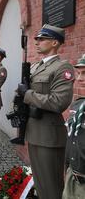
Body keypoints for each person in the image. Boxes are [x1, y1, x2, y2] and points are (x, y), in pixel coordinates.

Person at [16, 24, 74, 199]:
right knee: (41, 184)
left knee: (51, 187)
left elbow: (58, 102)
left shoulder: (62, 68)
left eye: (42, 39)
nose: (37, 42)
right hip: (33, 131)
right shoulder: (34, 67)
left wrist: (27, 94)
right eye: (37, 39)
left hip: (49, 136)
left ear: (55, 42)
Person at [62, 54, 85, 199]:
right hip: (72, 176)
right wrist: (67, 170)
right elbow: (72, 138)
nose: (80, 78)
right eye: (79, 73)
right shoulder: (77, 105)